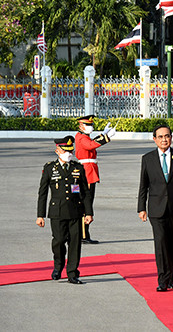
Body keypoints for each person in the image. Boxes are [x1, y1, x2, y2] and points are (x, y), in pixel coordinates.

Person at [137, 125, 173, 292]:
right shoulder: (147, 158)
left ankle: (170, 276)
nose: (164, 139)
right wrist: (141, 208)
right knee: (161, 242)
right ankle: (162, 279)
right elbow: (143, 186)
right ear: (154, 139)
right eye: (161, 136)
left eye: (167, 136)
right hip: (156, 208)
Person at [37, 136, 93, 284]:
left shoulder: (78, 167)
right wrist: (40, 215)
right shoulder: (49, 168)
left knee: (75, 243)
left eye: (71, 151)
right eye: (65, 151)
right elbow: (43, 193)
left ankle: (73, 273)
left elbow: (85, 192)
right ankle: (58, 266)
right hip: (57, 212)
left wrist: (89, 213)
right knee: (59, 241)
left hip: (75, 211)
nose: (69, 154)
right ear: (57, 150)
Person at [74, 114, 115, 244]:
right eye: (88, 125)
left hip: (90, 170)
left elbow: (91, 143)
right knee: (86, 202)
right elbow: (91, 145)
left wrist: (103, 134)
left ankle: (82, 233)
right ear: (81, 126)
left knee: (86, 202)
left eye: (92, 125)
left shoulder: (84, 136)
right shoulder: (80, 137)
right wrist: (106, 137)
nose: (91, 127)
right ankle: (83, 235)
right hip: (87, 172)